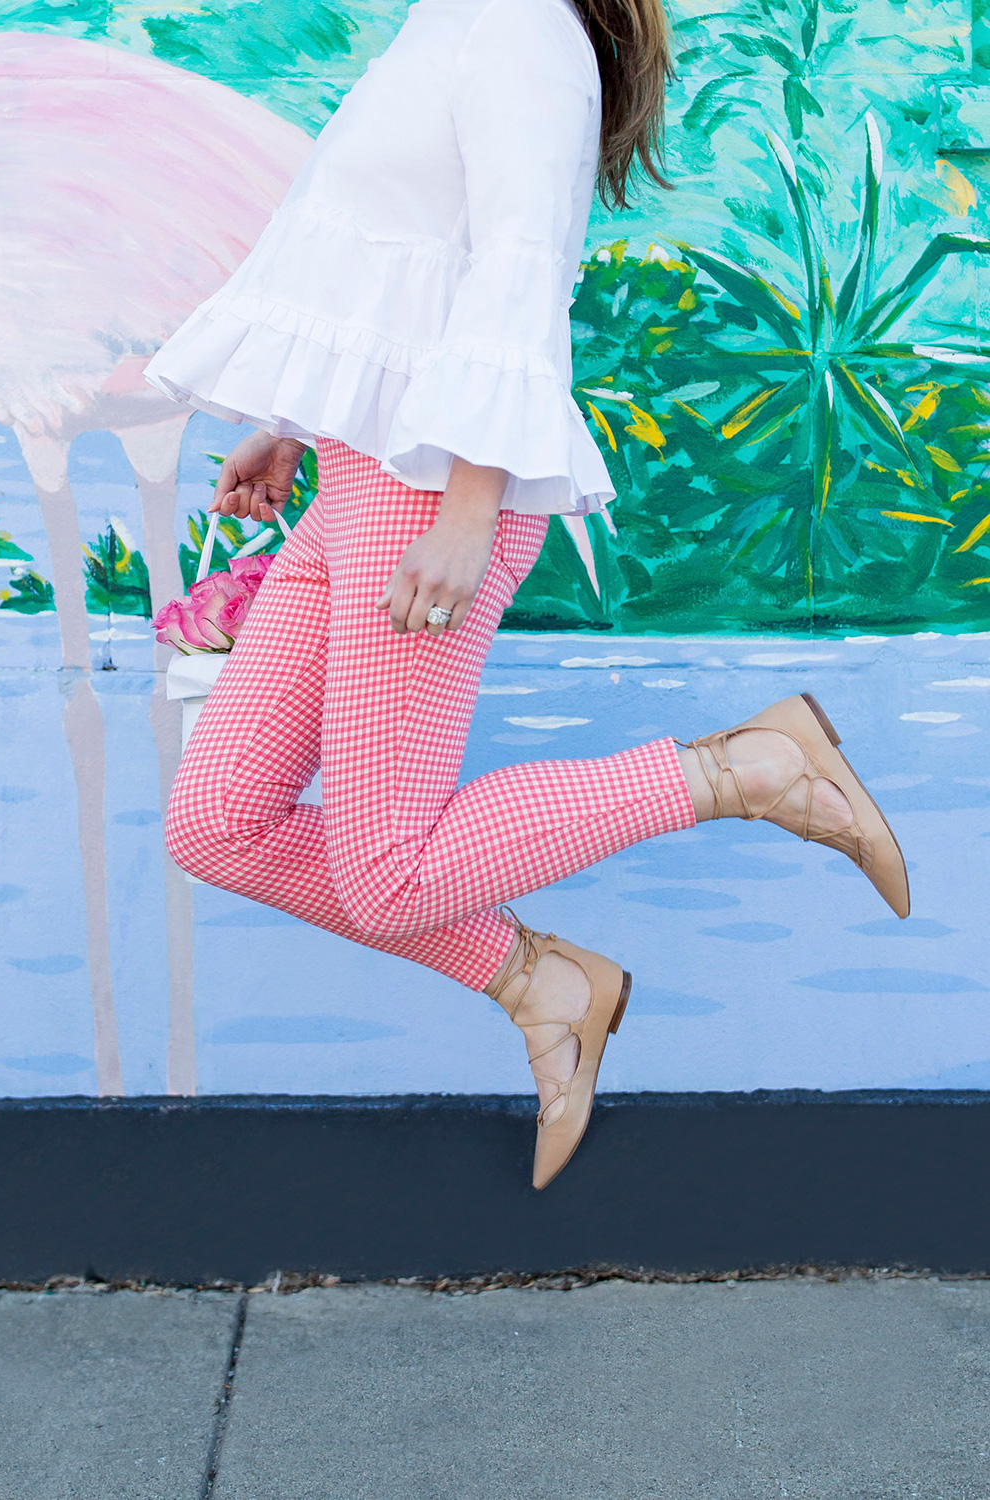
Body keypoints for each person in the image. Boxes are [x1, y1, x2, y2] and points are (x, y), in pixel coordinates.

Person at [145, 0, 909, 1190]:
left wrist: (466, 506)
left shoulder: (519, 32)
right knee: (217, 820)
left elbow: (517, 272)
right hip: (359, 477)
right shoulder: (452, 19)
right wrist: (289, 424)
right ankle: (545, 982)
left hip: (428, 493)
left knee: (388, 868)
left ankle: (744, 770)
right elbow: (384, 251)